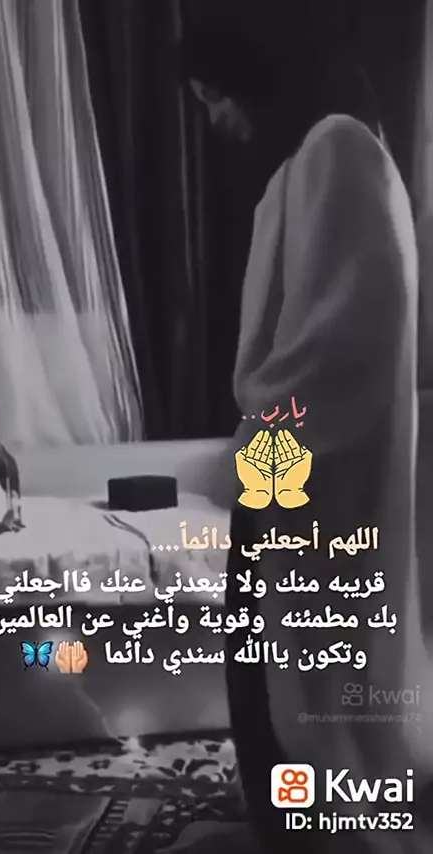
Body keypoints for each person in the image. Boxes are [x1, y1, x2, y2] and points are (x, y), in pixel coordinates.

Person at [169, 6, 433, 854]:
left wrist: (260, 458)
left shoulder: (337, 150)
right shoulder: (313, 159)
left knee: (296, 673)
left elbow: (332, 342)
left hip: (309, 474)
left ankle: (315, 827)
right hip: (295, 466)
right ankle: (294, 820)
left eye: (216, 97)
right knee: (277, 669)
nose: (217, 120)